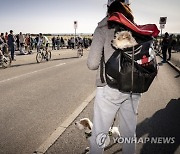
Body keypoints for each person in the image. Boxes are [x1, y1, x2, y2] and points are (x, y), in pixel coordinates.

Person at [87, 0, 141, 154]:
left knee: (100, 133)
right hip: (133, 87)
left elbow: (92, 64)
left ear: (108, 10)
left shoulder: (103, 28)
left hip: (110, 88)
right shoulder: (136, 27)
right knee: (129, 133)